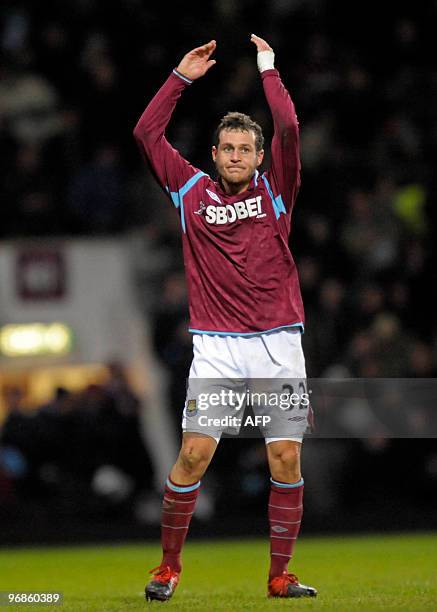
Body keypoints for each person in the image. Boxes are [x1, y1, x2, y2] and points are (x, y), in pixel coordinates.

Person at [134, 35, 317, 601]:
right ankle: (167, 569)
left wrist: (267, 69)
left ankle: (279, 576)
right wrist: (179, 77)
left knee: (285, 456)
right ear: (213, 155)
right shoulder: (189, 190)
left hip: (279, 344)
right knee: (192, 454)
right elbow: (145, 133)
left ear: (259, 157)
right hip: (216, 346)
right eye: (227, 148)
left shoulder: (276, 188)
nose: (236, 155)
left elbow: (287, 125)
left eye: (245, 148)